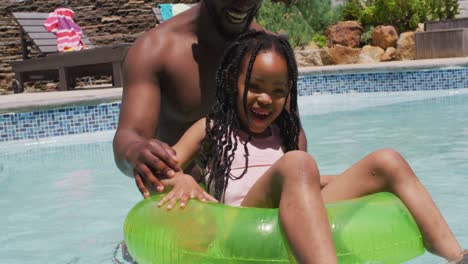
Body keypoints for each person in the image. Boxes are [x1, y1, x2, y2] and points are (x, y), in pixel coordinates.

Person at [156, 31, 467, 263]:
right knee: (298, 162)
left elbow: (296, 186)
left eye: (278, 91)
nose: (266, 99)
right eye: (254, 87)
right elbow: (160, 172)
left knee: (387, 160)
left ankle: (456, 256)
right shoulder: (211, 130)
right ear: (230, 83)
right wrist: (183, 178)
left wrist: (336, 180)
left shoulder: (282, 134)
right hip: (242, 225)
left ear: (289, 93)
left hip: (287, 212)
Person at [113, 0, 310, 198]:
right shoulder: (156, 49)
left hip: (258, 205)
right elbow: (129, 136)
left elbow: (293, 132)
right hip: (186, 204)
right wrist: (136, 152)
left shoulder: (270, 54)